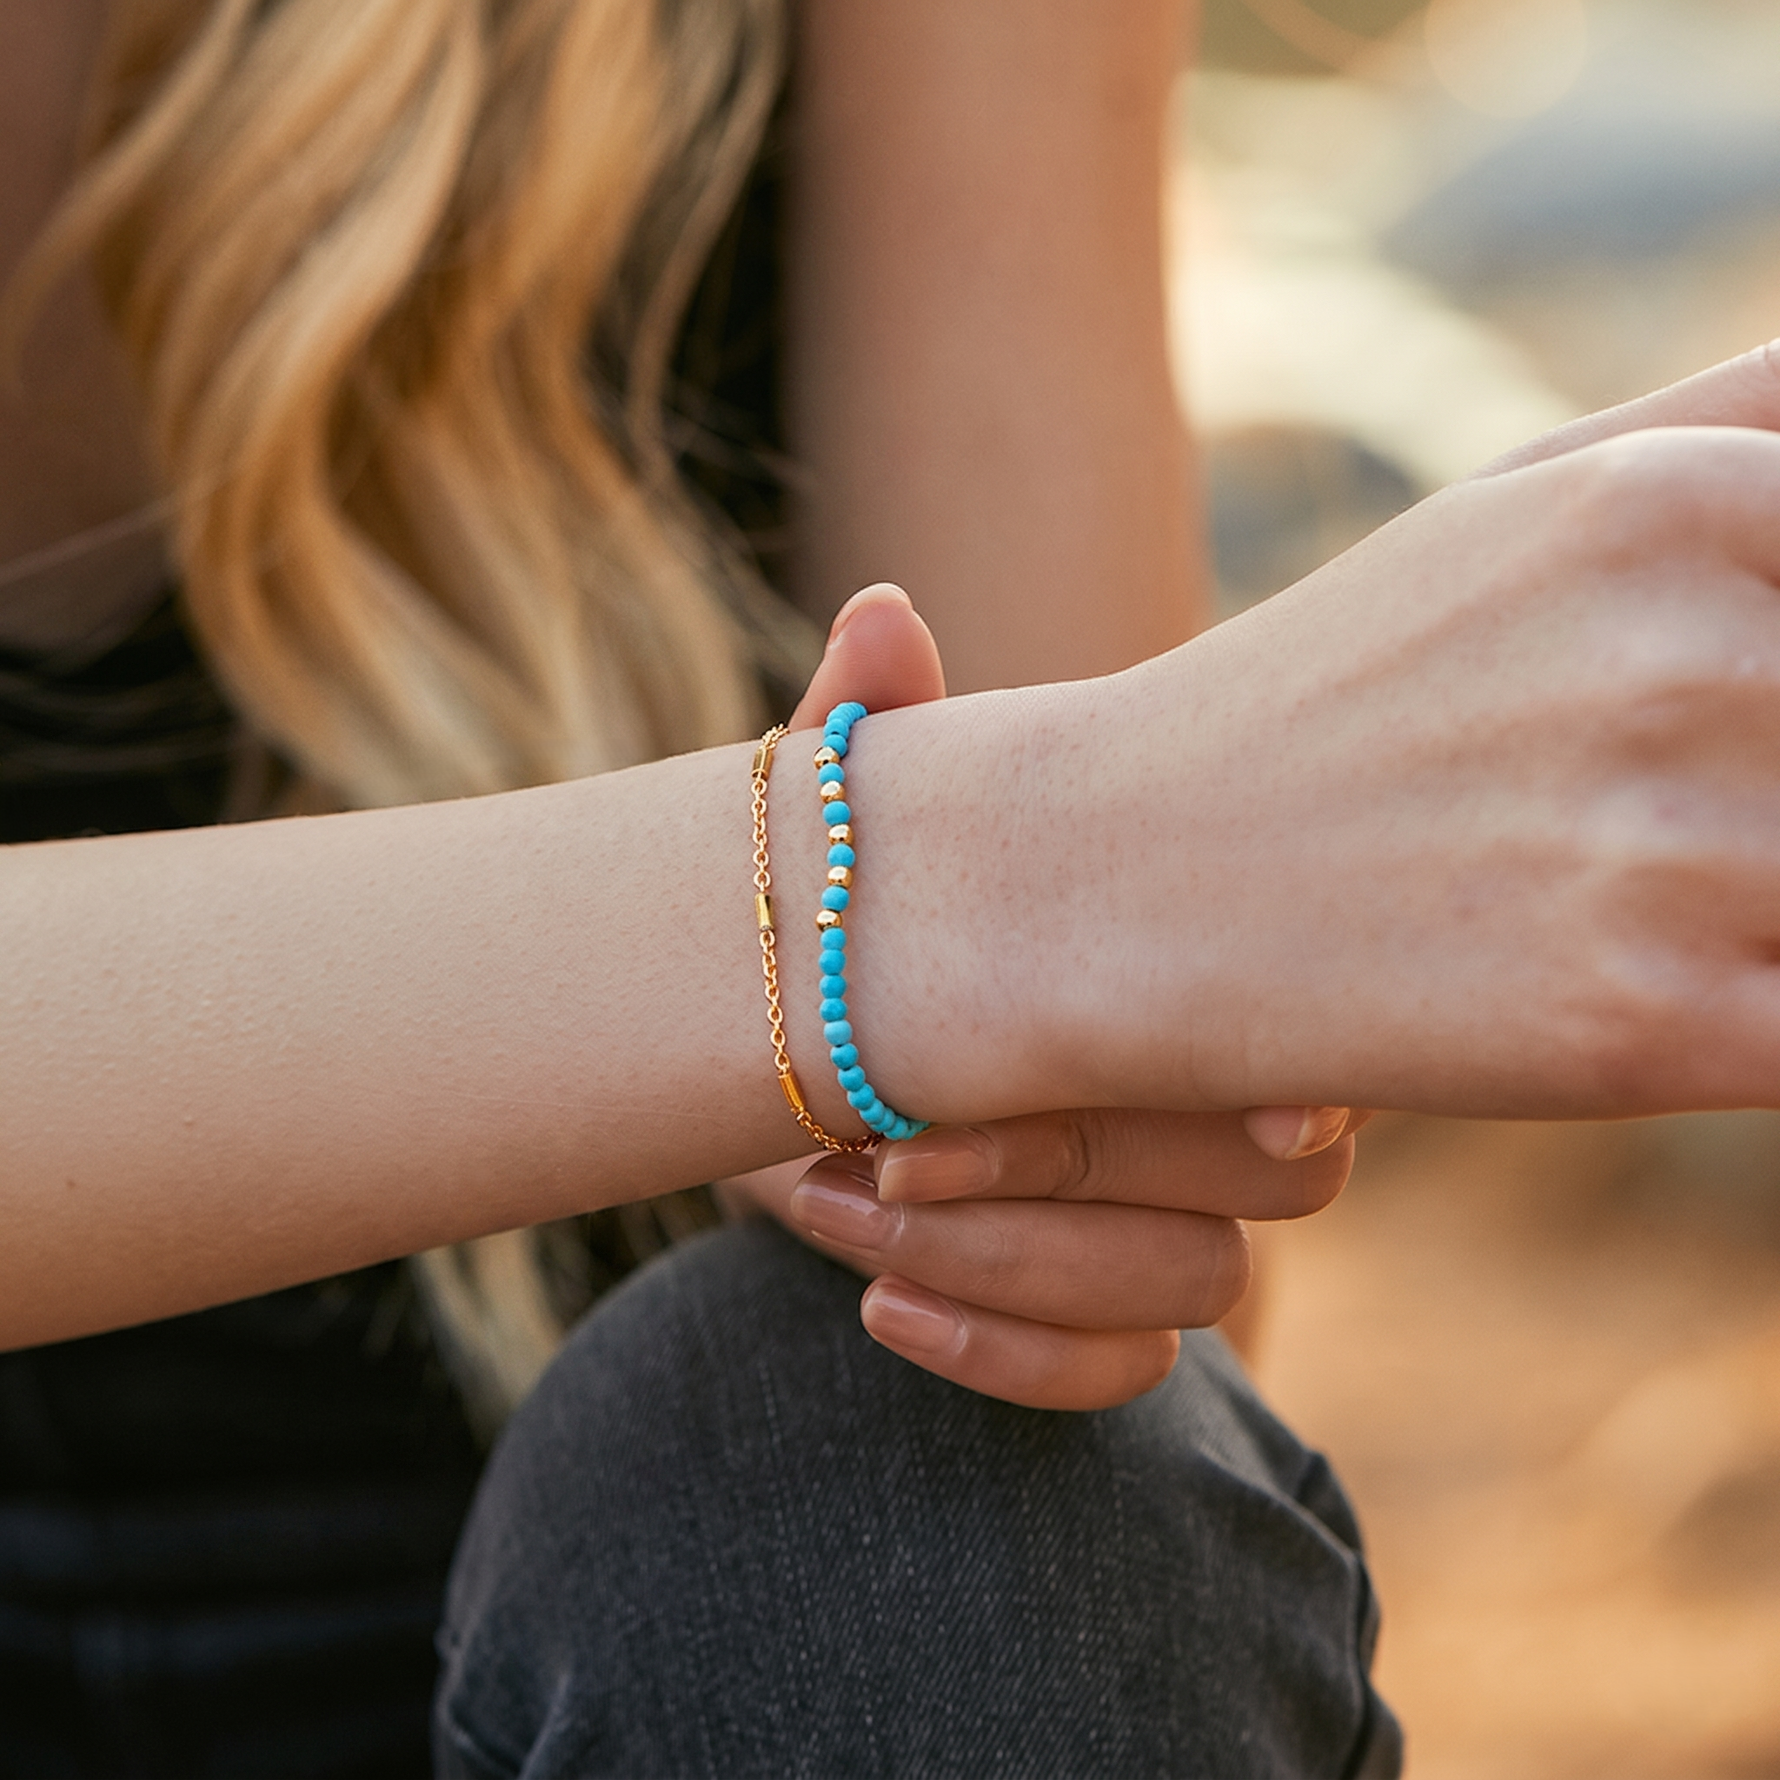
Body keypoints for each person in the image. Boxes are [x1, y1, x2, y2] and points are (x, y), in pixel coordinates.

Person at [10, 1, 1780, 1774]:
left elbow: (1107, 1257)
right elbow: (1044, 901)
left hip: (639, 1643)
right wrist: (947, 897)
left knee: (927, 1471)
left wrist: (1057, 1064)